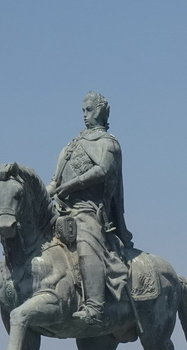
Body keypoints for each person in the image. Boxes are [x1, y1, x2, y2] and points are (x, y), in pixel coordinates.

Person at [48, 92, 132, 324]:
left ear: (101, 111)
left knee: (86, 244)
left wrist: (70, 186)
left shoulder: (108, 143)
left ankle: (95, 305)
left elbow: (103, 170)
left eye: (90, 110)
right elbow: (54, 182)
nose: (86, 115)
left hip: (89, 210)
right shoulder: (70, 146)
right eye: (83, 111)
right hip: (62, 211)